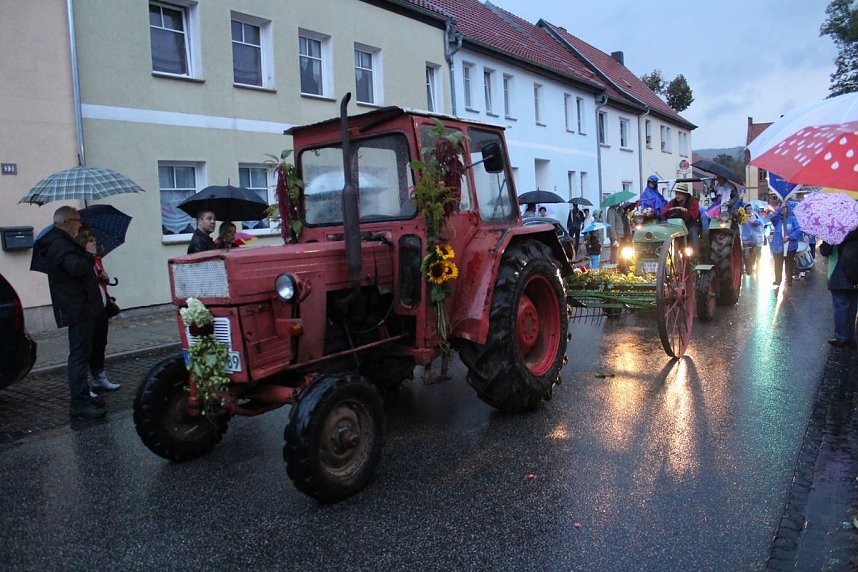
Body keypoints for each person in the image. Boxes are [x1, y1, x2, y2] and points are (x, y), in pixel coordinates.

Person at [34, 206, 107, 419]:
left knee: (82, 354)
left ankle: (84, 395)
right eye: (77, 220)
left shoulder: (63, 242)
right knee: (79, 356)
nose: (80, 224)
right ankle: (79, 403)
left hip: (82, 306)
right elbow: (75, 268)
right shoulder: (59, 244)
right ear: (67, 221)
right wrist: (88, 255)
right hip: (77, 308)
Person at [75, 226, 121, 394]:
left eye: (94, 240)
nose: (95, 243)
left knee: (100, 343)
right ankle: (85, 384)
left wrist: (105, 278)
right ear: (83, 243)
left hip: (101, 305)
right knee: (88, 346)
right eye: (91, 241)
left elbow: (101, 278)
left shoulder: (96, 259)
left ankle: (100, 377)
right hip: (89, 309)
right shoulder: (82, 260)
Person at [819, 229, 858, 347]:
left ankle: (840, 336)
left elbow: (825, 251)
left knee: (840, 305)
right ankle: (850, 336)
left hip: (838, 272)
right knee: (853, 305)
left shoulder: (835, 229)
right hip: (856, 273)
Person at [767, 199, 802, 287]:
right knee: (778, 263)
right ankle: (778, 280)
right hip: (778, 246)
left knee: (789, 263)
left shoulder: (793, 219)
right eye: (782, 208)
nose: (784, 210)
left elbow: (798, 230)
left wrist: (790, 237)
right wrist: (779, 209)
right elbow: (772, 217)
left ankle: (789, 279)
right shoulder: (778, 219)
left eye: (785, 208)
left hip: (790, 246)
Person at [661, 183, 701, 253]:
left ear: (685, 194)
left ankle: (695, 255)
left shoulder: (693, 201)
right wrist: (672, 209)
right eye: (676, 193)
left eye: (680, 194)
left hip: (690, 224)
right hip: (676, 225)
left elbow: (694, 215)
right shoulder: (673, 202)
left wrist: (685, 212)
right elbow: (663, 212)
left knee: (693, 232)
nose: (677, 196)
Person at [739, 204, 764, 275]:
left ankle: (758, 265)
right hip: (746, 238)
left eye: (750, 208)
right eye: (748, 209)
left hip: (756, 239)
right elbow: (740, 223)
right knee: (746, 253)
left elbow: (761, 223)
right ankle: (747, 267)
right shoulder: (743, 216)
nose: (749, 210)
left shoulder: (755, 215)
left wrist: (754, 222)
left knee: (758, 253)